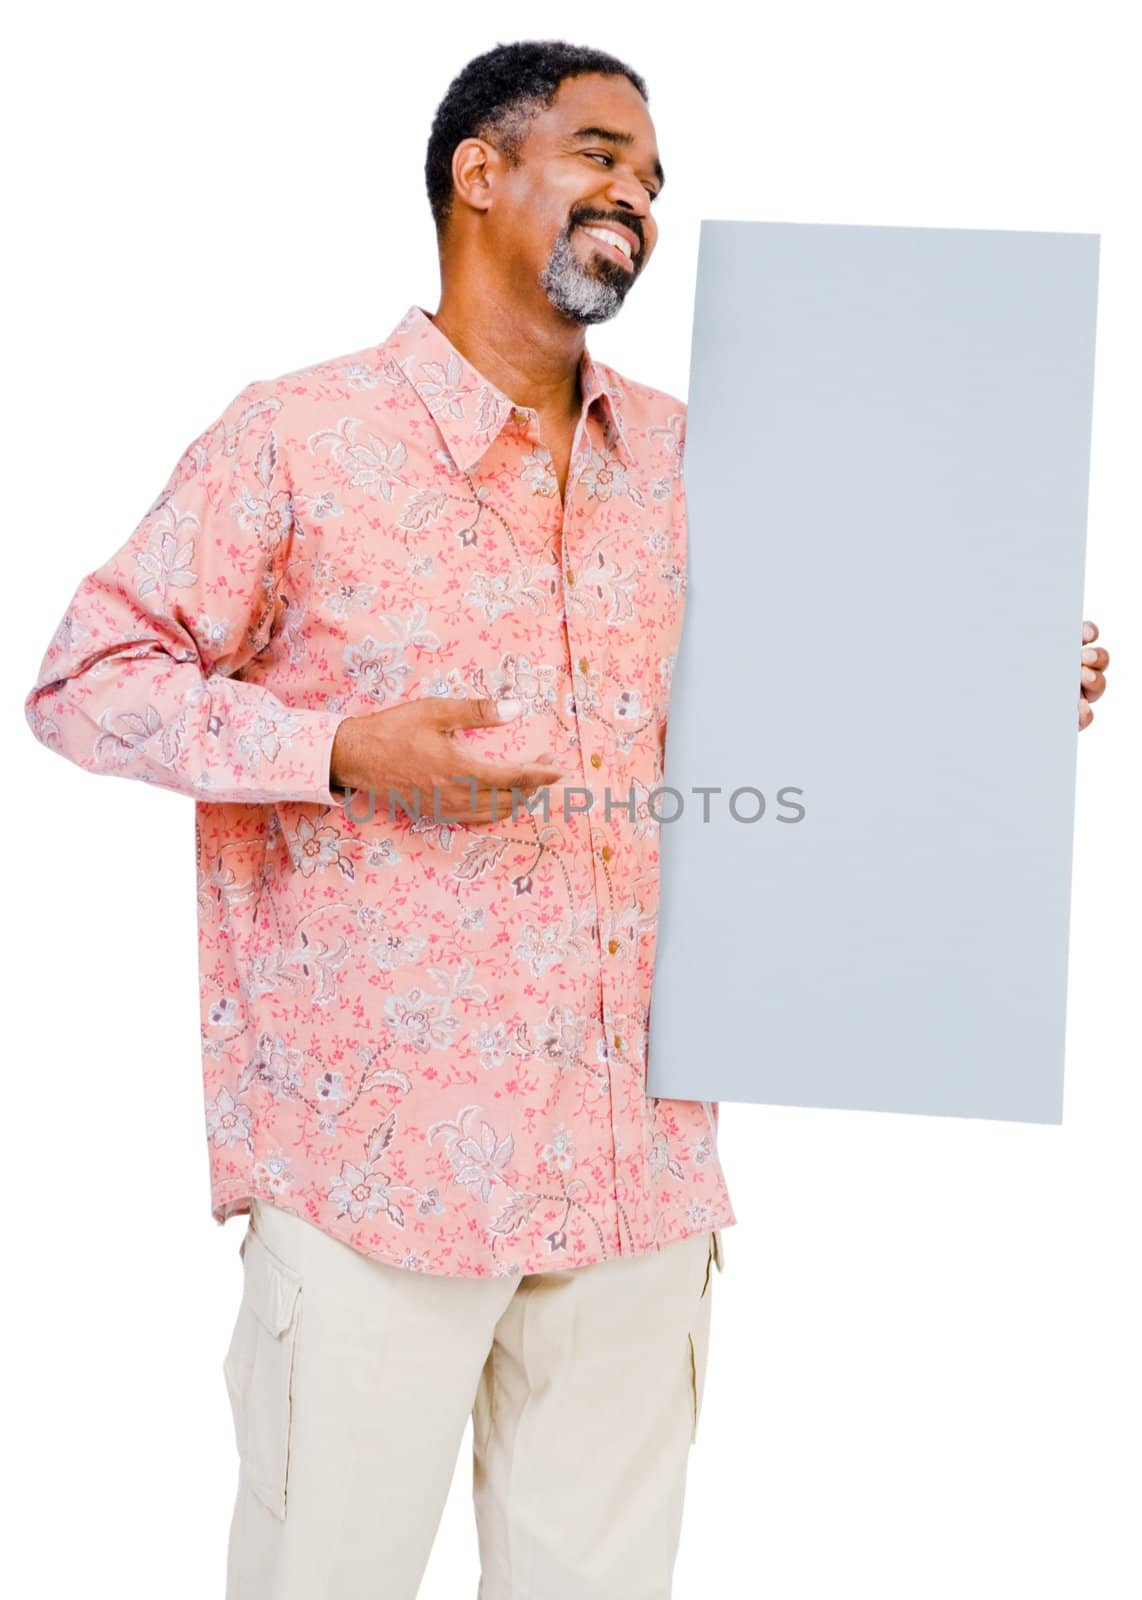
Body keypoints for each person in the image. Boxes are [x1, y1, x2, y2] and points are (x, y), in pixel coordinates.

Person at [23, 38, 1111, 1600]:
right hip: (379, 1173)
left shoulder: (698, 456)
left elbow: (810, 684)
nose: (636, 196)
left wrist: (984, 700)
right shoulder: (296, 438)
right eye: (601, 154)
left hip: (635, 1167)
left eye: (653, 178)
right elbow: (84, 680)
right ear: (480, 172)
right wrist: (337, 748)